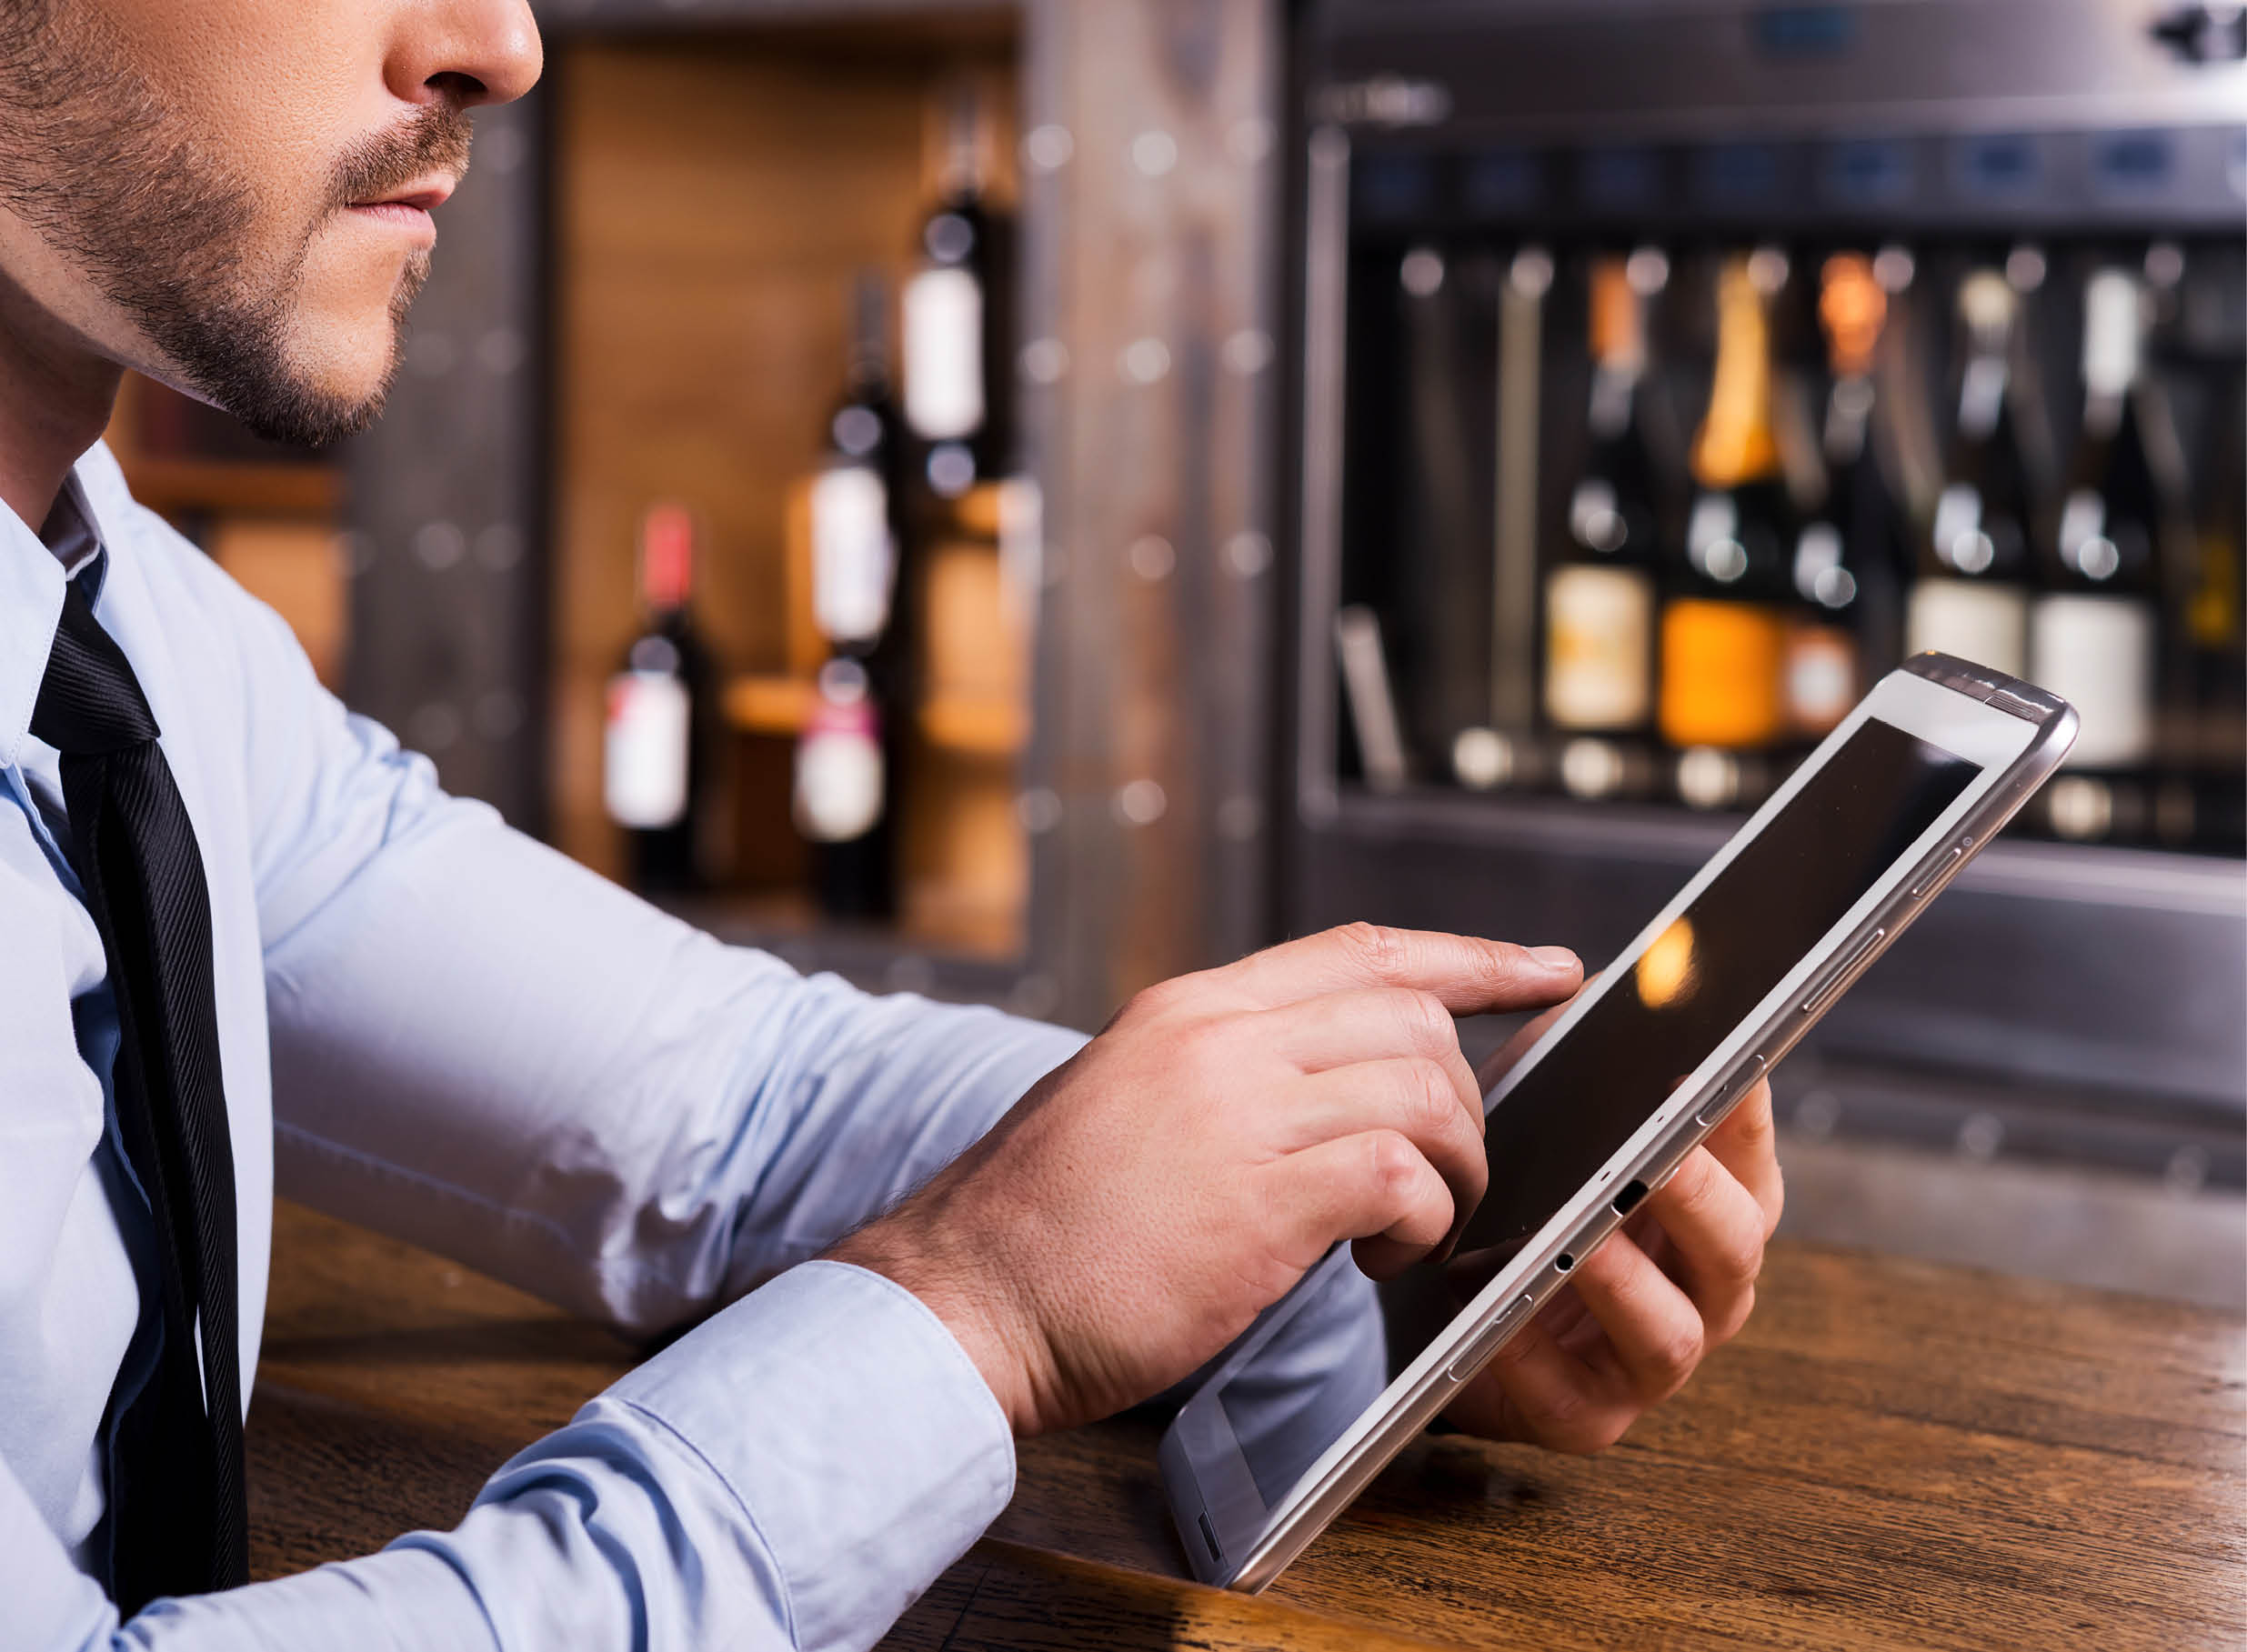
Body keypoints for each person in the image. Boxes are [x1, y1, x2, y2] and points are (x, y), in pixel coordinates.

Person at [0, 2, 1785, 1648]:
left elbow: (724, 1109)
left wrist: (1349, 1253)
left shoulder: (139, 636)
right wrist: (974, 1313)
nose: (503, 42)